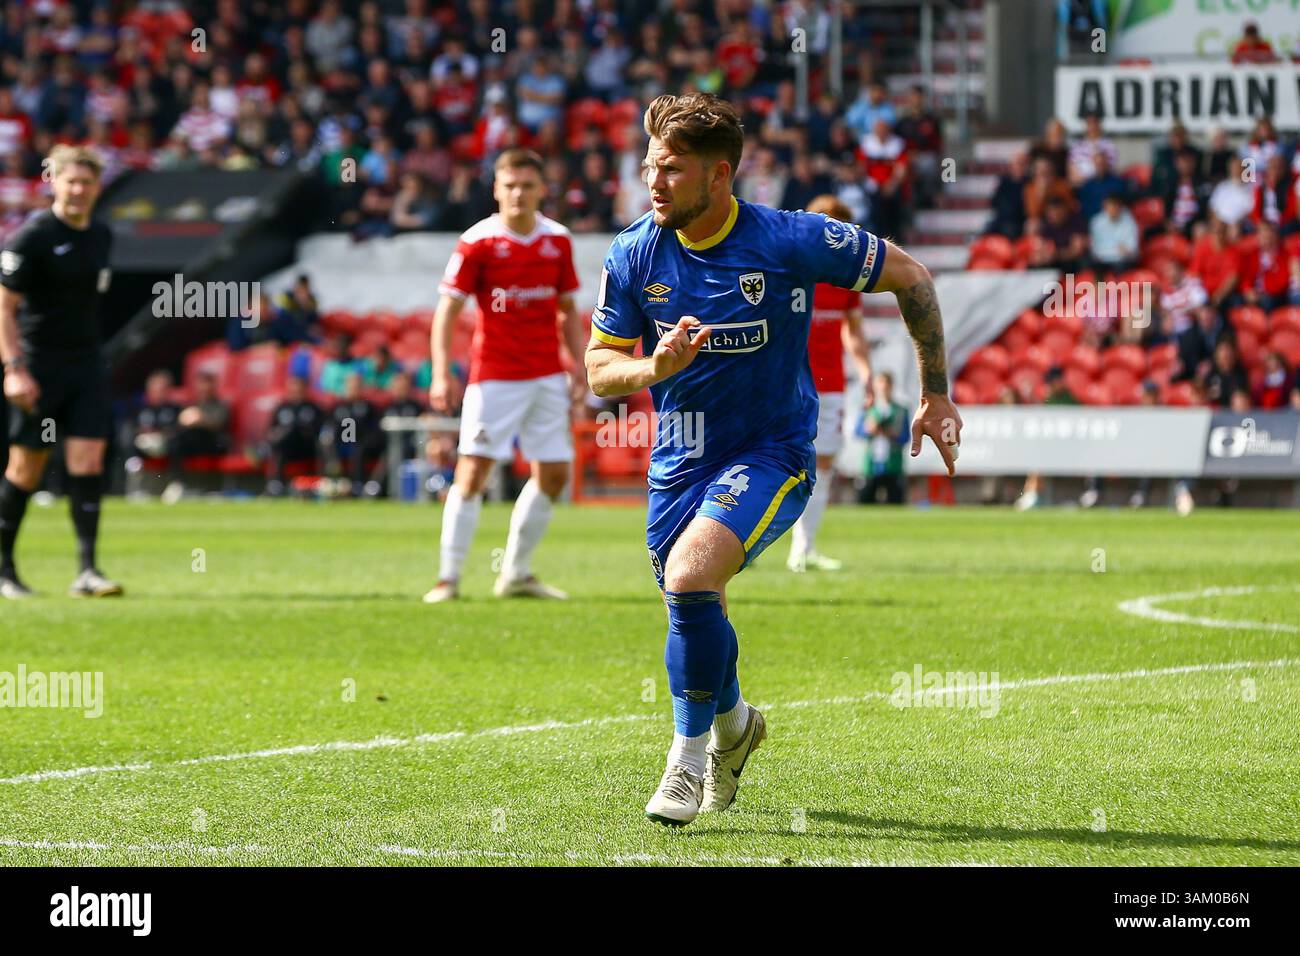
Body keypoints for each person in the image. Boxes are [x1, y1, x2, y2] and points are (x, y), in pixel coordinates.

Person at [584, 93, 960, 826]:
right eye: (649, 166)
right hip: (680, 460)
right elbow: (600, 367)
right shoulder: (633, 252)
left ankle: (685, 765)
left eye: (670, 170)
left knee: (692, 577)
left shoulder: (790, 239)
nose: (653, 182)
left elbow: (912, 277)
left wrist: (934, 394)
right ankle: (736, 729)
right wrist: (652, 369)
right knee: (694, 605)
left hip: (772, 451)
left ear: (718, 176)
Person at [425, 148, 586, 602]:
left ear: (541, 190)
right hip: (493, 376)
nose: (518, 193)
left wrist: (579, 364)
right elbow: (446, 312)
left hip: (547, 376)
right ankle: (448, 578)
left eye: (527, 185)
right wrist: (441, 373)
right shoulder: (476, 242)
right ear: (496, 189)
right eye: (510, 185)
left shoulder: (559, 240)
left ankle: (515, 573)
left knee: (554, 474)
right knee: (473, 472)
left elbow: (568, 311)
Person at [0, 145, 120, 599]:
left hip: (86, 364)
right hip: (39, 365)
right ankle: (4, 568)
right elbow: (4, 308)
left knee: (88, 460)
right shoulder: (31, 238)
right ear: (54, 182)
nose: (78, 190)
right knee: (27, 467)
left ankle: (88, 570)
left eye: (87, 182)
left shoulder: (102, 235)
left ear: (96, 187)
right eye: (71, 181)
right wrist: (14, 368)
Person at [786, 194, 873, 572]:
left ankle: (803, 550)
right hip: (786, 379)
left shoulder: (846, 280)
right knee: (770, 459)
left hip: (831, 382)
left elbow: (851, 331)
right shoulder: (790, 269)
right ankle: (741, 542)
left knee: (823, 462)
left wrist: (866, 370)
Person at [264, 374, 324, 496]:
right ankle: (277, 485)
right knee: (282, 443)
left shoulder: (314, 408)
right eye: (293, 388)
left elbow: (320, 431)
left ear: (305, 389)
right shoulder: (282, 407)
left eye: (299, 388)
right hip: (287, 449)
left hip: (308, 447)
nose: (296, 391)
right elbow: (271, 430)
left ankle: (263, 450)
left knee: (293, 428)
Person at [857, 371, 908, 505]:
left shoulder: (901, 410)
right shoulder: (869, 408)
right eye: (880, 384)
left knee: (895, 501)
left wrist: (891, 433)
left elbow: (906, 437)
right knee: (865, 501)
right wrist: (869, 429)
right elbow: (858, 432)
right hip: (871, 463)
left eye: (886, 384)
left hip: (893, 463)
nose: (883, 388)